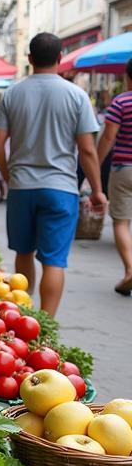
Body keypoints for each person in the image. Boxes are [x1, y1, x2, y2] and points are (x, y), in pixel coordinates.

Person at [0, 32, 106, 316]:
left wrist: (9, 177)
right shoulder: (77, 96)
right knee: (54, 261)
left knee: (23, 253)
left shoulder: (12, 93)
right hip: (61, 188)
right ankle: (47, 324)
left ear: (29, 59)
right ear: (59, 59)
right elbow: (87, 150)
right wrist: (98, 190)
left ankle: (21, 317)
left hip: (21, 187)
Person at [96, 58, 132, 295]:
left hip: (124, 168)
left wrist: (95, 164)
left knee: (120, 222)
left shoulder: (121, 102)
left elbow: (108, 137)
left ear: (127, 77)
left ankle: (130, 270)